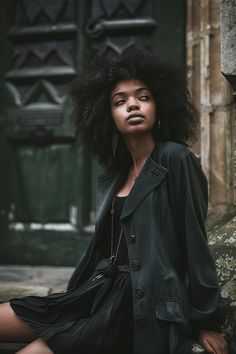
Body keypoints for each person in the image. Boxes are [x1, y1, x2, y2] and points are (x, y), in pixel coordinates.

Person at [0, 48, 228, 354]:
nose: (132, 105)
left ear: (159, 106)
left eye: (143, 97)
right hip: (93, 293)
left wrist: (206, 322)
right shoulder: (114, 174)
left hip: (133, 306)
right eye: (119, 101)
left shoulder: (176, 160)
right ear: (107, 115)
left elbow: (195, 245)